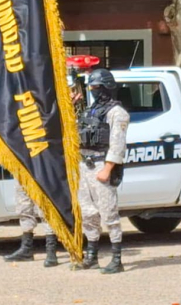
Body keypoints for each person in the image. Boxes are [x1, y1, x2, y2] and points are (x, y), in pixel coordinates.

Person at [75, 68, 129, 274]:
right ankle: (92, 256)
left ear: (107, 87)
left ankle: (116, 259)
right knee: (87, 212)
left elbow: (117, 144)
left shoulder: (117, 113)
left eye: (97, 87)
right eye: (91, 87)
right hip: (84, 165)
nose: (94, 90)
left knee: (108, 213)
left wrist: (107, 168)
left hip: (101, 165)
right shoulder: (90, 110)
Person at [2, 183, 59, 267]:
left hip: (39, 175)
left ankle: (51, 252)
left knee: (45, 209)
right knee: (23, 208)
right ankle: (26, 249)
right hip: (21, 175)